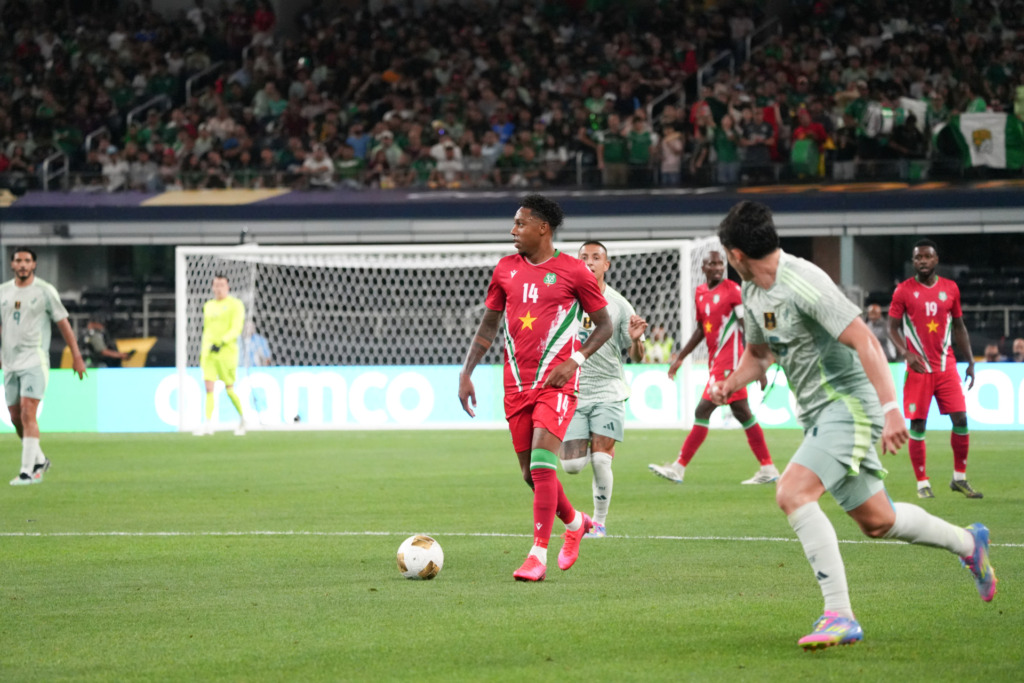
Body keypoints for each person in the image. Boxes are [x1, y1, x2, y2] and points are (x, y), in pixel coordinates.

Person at [711, 201, 995, 650]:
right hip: (819, 414)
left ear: (737, 253)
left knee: (792, 492)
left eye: (726, 253)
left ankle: (839, 615)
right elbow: (761, 354)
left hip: (849, 406)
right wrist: (730, 382)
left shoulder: (804, 281)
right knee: (877, 521)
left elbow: (864, 338)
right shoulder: (752, 292)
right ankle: (968, 543)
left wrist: (890, 409)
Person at [458, 194, 612, 582]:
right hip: (515, 384)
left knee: (544, 466)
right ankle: (575, 522)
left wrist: (574, 360)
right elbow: (489, 325)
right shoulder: (504, 269)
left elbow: (605, 325)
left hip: (557, 382)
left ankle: (536, 555)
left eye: (520, 224)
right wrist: (467, 372)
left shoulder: (574, 271)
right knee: (530, 474)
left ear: (543, 228)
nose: (513, 231)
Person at [649, 250, 778, 485]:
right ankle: (768, 467)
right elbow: (701, 329)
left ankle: (679, 467)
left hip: (730, 363)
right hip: (716, 361)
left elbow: (744, 326)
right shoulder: (700, 293)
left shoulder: (733, 291)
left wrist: (758, 364)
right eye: (713, 264)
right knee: (742, 412)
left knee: (702, 411)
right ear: (704, 268)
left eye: (721, 263)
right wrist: (681, 358)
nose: (718, 267)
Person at [559, 241, 647, 538]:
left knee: (600, 459)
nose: (590, 262)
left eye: (596, 258)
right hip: (573, 391)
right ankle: (593, 445)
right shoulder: (564, 300)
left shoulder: (619, 304)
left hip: (608, 391)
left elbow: (637, 357)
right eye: (584, 257)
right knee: (571, 465)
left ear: (606, 265)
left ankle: (598, 522)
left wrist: (636, 340)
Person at [887, 239, 980, 499]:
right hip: (918, 368)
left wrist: (970, 361)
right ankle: (922, 483)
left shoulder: (950, 289)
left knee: (961, 419)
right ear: (913, 262)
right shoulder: (903, 291)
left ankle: (959, 478)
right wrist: (905, 352)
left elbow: (959, 327)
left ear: (936, 259)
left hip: (946, 365)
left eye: (927, 257)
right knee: (918, 424)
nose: (923, 262)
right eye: (918, 258)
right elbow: (891, 328)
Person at [1, 247, 87, 485]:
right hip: (9, 363)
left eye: (27, 261)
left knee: (29, 411)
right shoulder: (3, 292)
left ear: (34, 265)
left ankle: (27, 472)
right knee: (15, 417)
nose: (22, 265)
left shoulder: (45, 291)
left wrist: (76, 356)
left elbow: (63, 324)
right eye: (18, 260)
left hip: (34, 360)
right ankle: (39, 460)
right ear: (12, 265)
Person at [196, 274, 247, 436]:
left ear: (228, 287)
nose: (218, 288)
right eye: (216, 285)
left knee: (229, 388)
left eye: (222, 285)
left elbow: (236, 328)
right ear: (212, 287)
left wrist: (222, 341)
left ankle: (243, 418)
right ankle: (208, 424)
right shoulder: (208, 305)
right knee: (208, 387)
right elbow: (207, 329)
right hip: (209, 352)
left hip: (227, 352)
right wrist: (206, 347)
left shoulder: (235, 305)